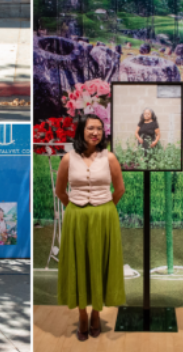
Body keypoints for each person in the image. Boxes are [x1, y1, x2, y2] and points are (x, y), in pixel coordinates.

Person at [56, 114, 127, 341]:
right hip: (76, 216)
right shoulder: (68, 158)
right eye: (90, 128)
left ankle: (96, 313)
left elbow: (119, 189)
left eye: (99, 128)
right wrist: (76, 210)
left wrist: (104, 209)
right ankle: (83, 316)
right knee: (79, 262)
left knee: (100, 261)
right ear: (81, 131)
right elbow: (60, 191)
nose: (95, 132)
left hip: (104, 215)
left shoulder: (110, 158)